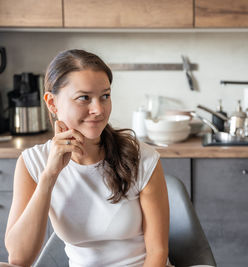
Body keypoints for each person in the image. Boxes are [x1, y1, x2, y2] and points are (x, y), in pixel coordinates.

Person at [4, 49, 171, 267]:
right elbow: (19, 258)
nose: (98, 109)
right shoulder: (32, 163)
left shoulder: (142, 157)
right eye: (84, 98)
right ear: (52, 103)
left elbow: (158, 253)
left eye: (105, 96)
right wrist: (49, 176)